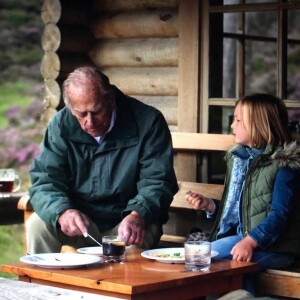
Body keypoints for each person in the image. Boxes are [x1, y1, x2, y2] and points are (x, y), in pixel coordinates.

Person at [26, 66, 178, 254]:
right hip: (81, 223)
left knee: (131, 247)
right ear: (71, 108)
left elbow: (158, 181)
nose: (90, 121)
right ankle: (39, 283)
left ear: (111, 100)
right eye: (81, 114)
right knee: (37, 225)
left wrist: (139, 213)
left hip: (129, 221)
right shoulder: (61, 125)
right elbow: (45, 181)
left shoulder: (148, 121)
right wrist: (62, 211)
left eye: (97, 111)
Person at [186, 93, 300, 294]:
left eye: (238, 120)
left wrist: (249, 241)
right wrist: (210, 206)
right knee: (212, 259)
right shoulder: (242, 160)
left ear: (259, 124)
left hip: (278, 248)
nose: (232, 126)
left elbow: (280, 216)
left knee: (203, 256)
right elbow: (244, 209)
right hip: (245, 240)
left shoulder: (284, 165)